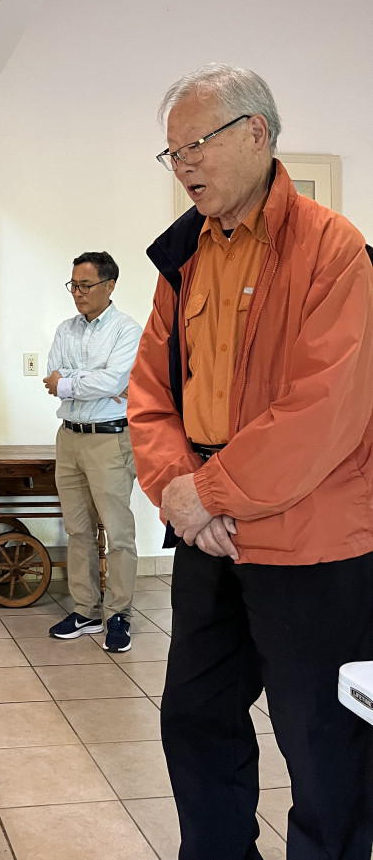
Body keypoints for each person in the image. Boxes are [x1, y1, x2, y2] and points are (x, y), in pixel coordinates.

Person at [128, 64, 373, 860]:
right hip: (210, 535)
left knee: (322, 740)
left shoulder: (332, 248)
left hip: (313, 542)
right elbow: (149, 392)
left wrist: (208, 492)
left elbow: (323, 408)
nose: (182, 165)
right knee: (194, 718)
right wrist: (177, 492)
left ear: (256, 133)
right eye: (171, 152)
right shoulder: (184, 256)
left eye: (194, 145)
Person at [43, 251, 142, 652]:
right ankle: (85, 610)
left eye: (86, 285)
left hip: (110, 440)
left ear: (109, 285)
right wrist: (88, 381)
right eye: (73, 285)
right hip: (69, 438)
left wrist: (71, 381)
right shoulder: (65, 330)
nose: (78, 293)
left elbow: (114, 380)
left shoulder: (126, 330)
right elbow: (52, 377)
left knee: (118, 533)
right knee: (78, 529)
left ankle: (118, 614)